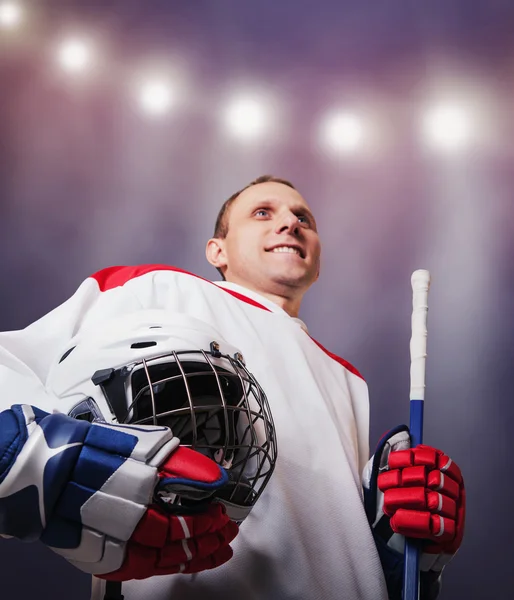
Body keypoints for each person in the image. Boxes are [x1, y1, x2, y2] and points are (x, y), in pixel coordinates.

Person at [0, 175, 465, 600]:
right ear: (216, 251)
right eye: (263, 213)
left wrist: (405, 556)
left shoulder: (348, 379)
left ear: (318, 265)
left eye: (303, 218)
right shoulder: (161, 288)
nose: (290, 223)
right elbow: (12, 362)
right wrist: (27, 456)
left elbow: (336, 545)